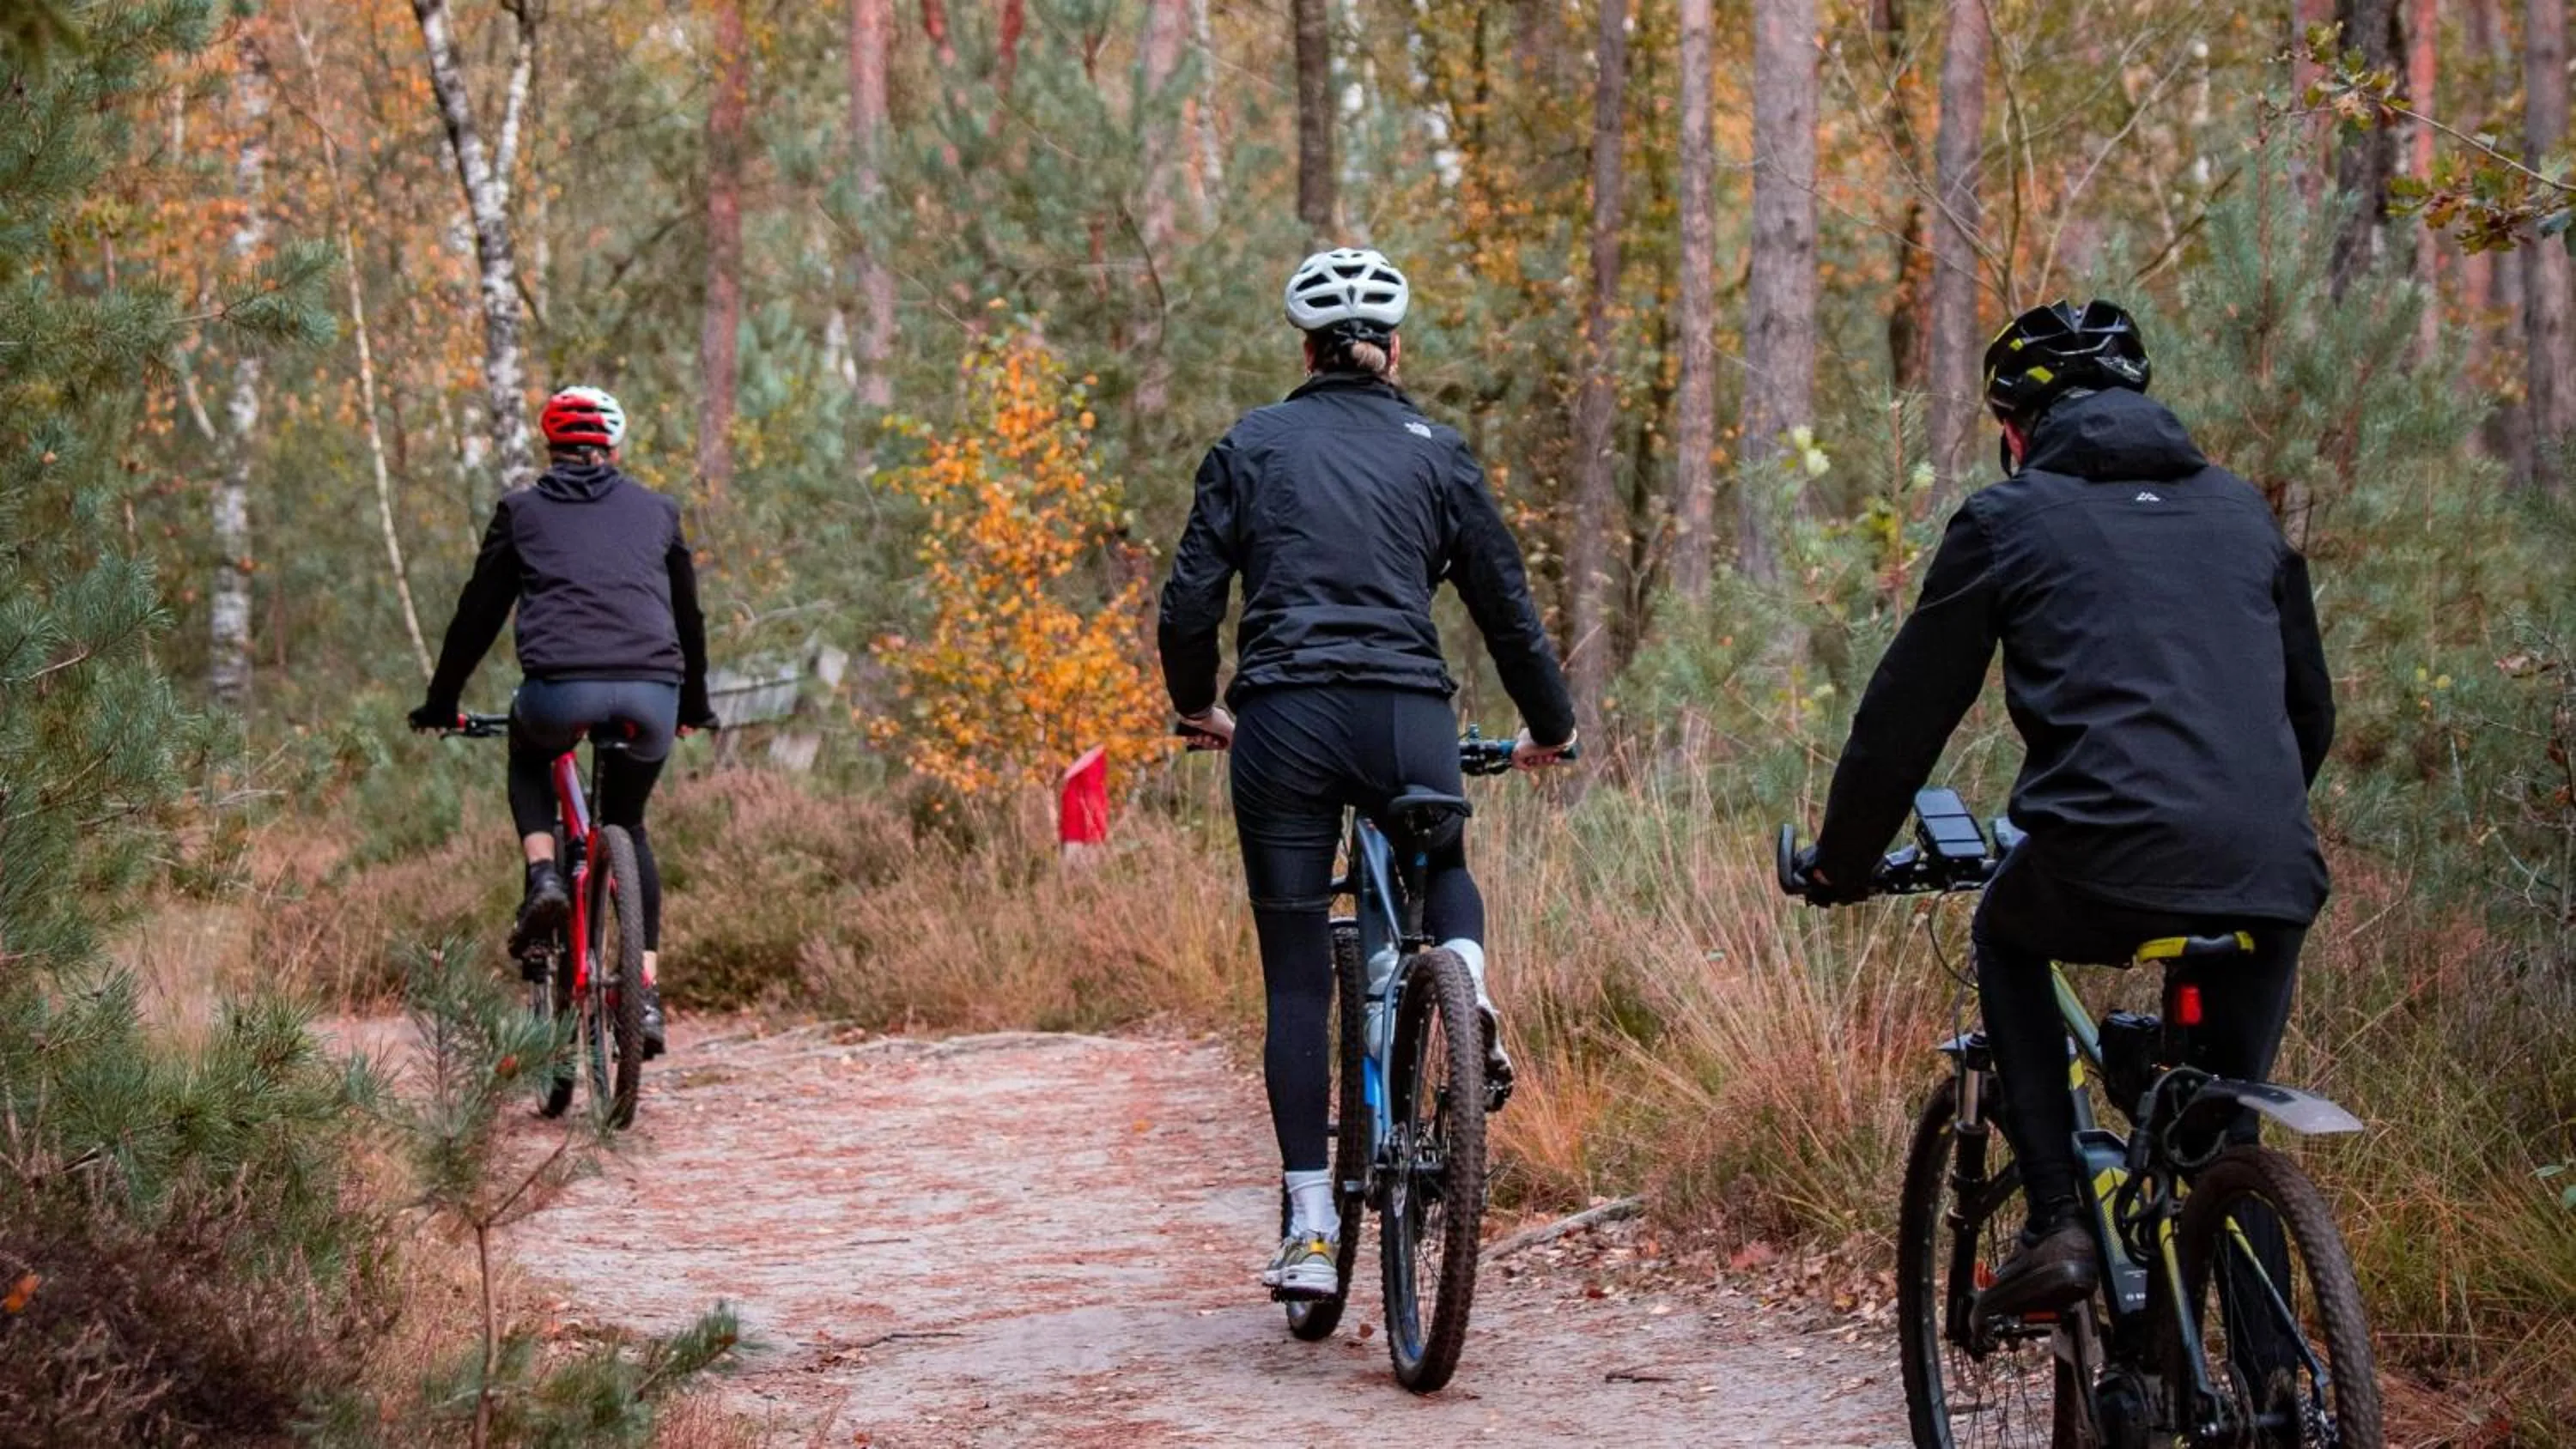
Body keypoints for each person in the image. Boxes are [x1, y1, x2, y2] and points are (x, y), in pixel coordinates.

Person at [1796, 300, 2335, 1319]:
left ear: (2015, 429)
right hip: (2269, 866)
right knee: (2226, 1132)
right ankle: (2282, 1398)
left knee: (2004, 930)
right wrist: (2233, 819)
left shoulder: (2007, 518)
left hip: (2097, 857)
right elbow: (2311, 709)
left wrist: (1841, 859)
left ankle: (2058, 1219)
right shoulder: (2241, 510)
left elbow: (1904, 719)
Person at [1158, 247, 1579, 1300]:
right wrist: (1551, 726)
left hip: (1286, 719)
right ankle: (1466, 985)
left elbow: (1188, 603)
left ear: (1304, 349)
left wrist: (1197, 702)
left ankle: (1309, 1227)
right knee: (1446, 862)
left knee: (1298, 977)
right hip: (1406, 715)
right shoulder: (1438, 450)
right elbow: (1504, 605)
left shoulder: (1251, 443)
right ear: (1393, 351)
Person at [409, 386, 719, 1058]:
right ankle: (647, 994)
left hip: (558, 696)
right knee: (629, 827)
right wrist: (695, 704)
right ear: (613, 447)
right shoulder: (659, 511)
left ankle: (546, 876)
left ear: (551, 446)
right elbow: (688, 615)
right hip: (651, 697)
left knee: (529, 752)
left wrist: (441, 701)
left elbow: (477, 615)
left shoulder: (522, 512)